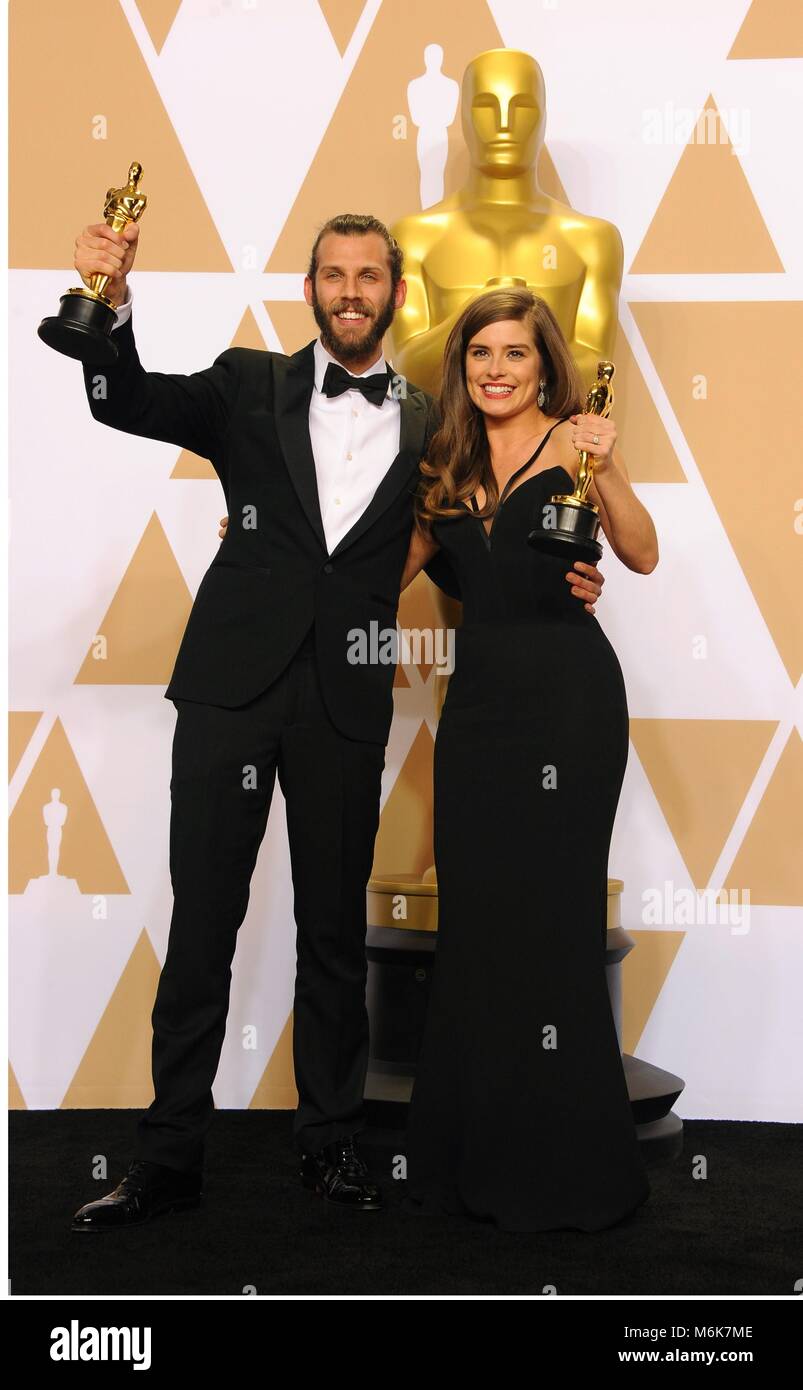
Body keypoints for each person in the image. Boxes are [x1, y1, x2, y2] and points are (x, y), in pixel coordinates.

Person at [64, 210, 609, 1231]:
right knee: (202, 926)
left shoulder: (428, 429)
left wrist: (565, 577)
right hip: (231, 689)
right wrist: (107, 300)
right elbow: (122, 401)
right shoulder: (242, 383)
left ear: (394, 292)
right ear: (309, 287)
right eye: (333, 275)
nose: (351, 291)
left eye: (369, 276)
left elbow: (465, 549)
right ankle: (168, 1157)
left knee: (331, 936)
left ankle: (329, 1147)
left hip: (343, 698)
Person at [396, 286, 659, 1233]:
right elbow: (380, 579)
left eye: (513, 353)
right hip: (480, 717)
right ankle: (471, 1156)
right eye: (479, 355)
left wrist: (613, 465)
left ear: (544, 364)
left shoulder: (578, 445)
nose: (495, 369)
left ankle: (567, 1167)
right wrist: (271, 563)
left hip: (571, 709)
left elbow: (641, 553)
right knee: (478, 927)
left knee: (551, 925)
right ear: (461, 367)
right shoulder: (443, 461)